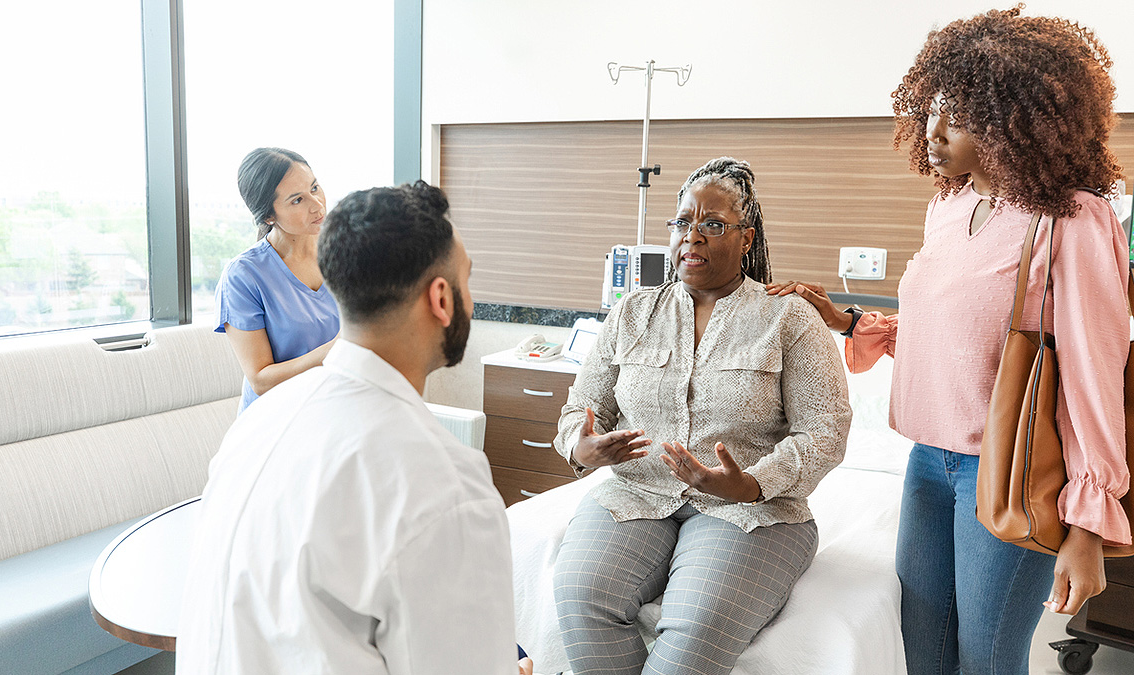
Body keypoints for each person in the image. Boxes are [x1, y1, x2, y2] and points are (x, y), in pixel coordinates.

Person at [767, 8, 1132, 674]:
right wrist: (848, 322)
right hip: (928, 464)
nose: (932, 133)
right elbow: (957, 338)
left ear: (1013, 121)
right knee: (923, 655)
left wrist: (1087, 525)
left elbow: (1093, 376)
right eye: (929, 112)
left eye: (956, 117)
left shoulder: (1073, 220)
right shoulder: (950, 207)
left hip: (1013, 468)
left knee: (986, 660)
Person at [177, 181, 533, 675]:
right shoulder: (447, 486)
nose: (470, 300)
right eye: (466, 282)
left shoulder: (254, 427)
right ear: (441, 299)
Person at [551, 157, 852, 674]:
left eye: (713, 224)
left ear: (747, 239)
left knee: (695, 623)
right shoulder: (632, 314)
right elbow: (581, 408)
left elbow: (824, 431)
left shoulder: (788, 318)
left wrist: (752, 483)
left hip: (753, 512)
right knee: (581, 593)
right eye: (683, 222)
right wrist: (581, 448)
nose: (693, 235)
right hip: (636, 494)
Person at [214, 147, 340, 413]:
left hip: (335, 414)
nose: (317, 205)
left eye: (315, 188)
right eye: (297, 200)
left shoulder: (345, 252)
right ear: (269, 216)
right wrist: (338, 349)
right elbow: (260, 380)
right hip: (275, 426)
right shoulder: (243, 276)